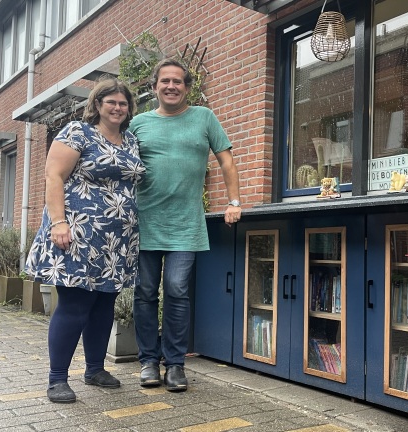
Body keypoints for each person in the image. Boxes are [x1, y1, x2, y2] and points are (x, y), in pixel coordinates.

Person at [25, 78, 145, 403]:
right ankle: (56, 379)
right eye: (111, 102)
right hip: (78, 232)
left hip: (116, 240)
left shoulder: (130, 140)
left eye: (123, 103)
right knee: (76, 305)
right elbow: (54, 176)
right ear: (98, 104)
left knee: (104, 304)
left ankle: (94, 369)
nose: (118, 108)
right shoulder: (78, 131)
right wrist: (59, 223)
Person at [130, 58, 242, 392]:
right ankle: (149, 361)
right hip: (144, 222)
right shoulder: (138, 123)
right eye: (164, 81)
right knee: (145, 293)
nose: (171, 86)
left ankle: (175, 364)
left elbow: (226, 161)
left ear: (187, 87)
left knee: (177, 291)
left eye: (177, 81)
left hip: (185, 224)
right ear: (154, 87)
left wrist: (234, 202)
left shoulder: (204, 118)